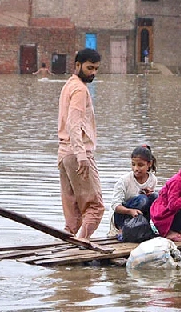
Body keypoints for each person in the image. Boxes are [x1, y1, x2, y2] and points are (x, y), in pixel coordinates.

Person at [57, 48, 104, 240]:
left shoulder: (69, 85)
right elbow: (73, 124)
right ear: (77, 65)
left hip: (64, 154)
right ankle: (82, 244)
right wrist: (82, 156)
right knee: (95, 208)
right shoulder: (79, 89)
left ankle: (67, 243)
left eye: (96, 69)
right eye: (89, 68)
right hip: (77, 153)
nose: (93, 73)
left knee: (73, 215)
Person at [107, 145, 159, 238]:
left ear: (149, 164)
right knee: (142, 199)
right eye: (133, 164)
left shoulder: (152, 179)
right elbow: (115, 206)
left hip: (138, 213)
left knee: (155, 197)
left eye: (140, 165)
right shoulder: (124, 180)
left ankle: (143, 227)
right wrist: (130, 211)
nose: (136, 169)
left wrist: (149, 194)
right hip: (120, 216)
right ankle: (122, 228)